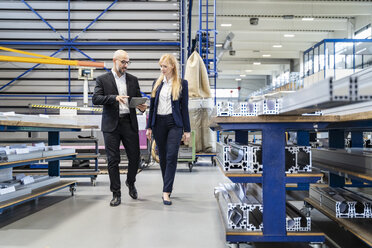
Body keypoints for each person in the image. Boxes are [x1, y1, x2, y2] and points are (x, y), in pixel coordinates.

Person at [92, 50, 146, 207]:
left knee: (135, 158)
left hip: (129, 123)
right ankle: (116, 193)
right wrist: (114, 98)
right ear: (114, 61)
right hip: (111, 125)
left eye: (128, 62)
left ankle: (130, 182)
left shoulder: (133, 80)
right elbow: (96, 99)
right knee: (113, 160)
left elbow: (135, 100)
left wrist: (142, 107)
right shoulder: (102, 79)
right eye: (123, 62)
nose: (126, 65)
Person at [146, 54, 191, 205]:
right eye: (161, 66)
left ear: (172, 66)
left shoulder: (182, 84)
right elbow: (152, 107)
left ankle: (166, 192)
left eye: (165, 66)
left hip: (174, 124)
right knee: (163, 157)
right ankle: (168, 185)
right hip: (158, 123)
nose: (162, 69)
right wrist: (149, 127)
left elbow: (184, 109)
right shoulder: (157, 83)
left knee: (171, 156)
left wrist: (187, 130)